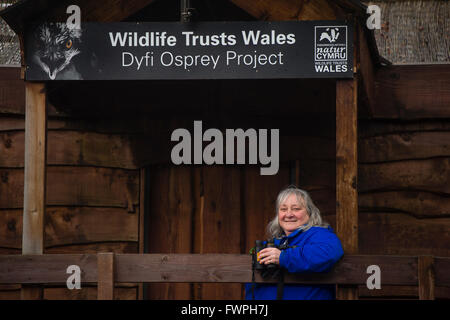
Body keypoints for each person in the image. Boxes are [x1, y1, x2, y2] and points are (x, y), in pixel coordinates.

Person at [245, 185, 344, 300]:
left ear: (310, 213)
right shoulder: (275, 243)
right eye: (283, 209)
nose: (289, 214)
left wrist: (284, 257)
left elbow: (328, 253)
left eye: (296, 209)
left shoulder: (319, 234)